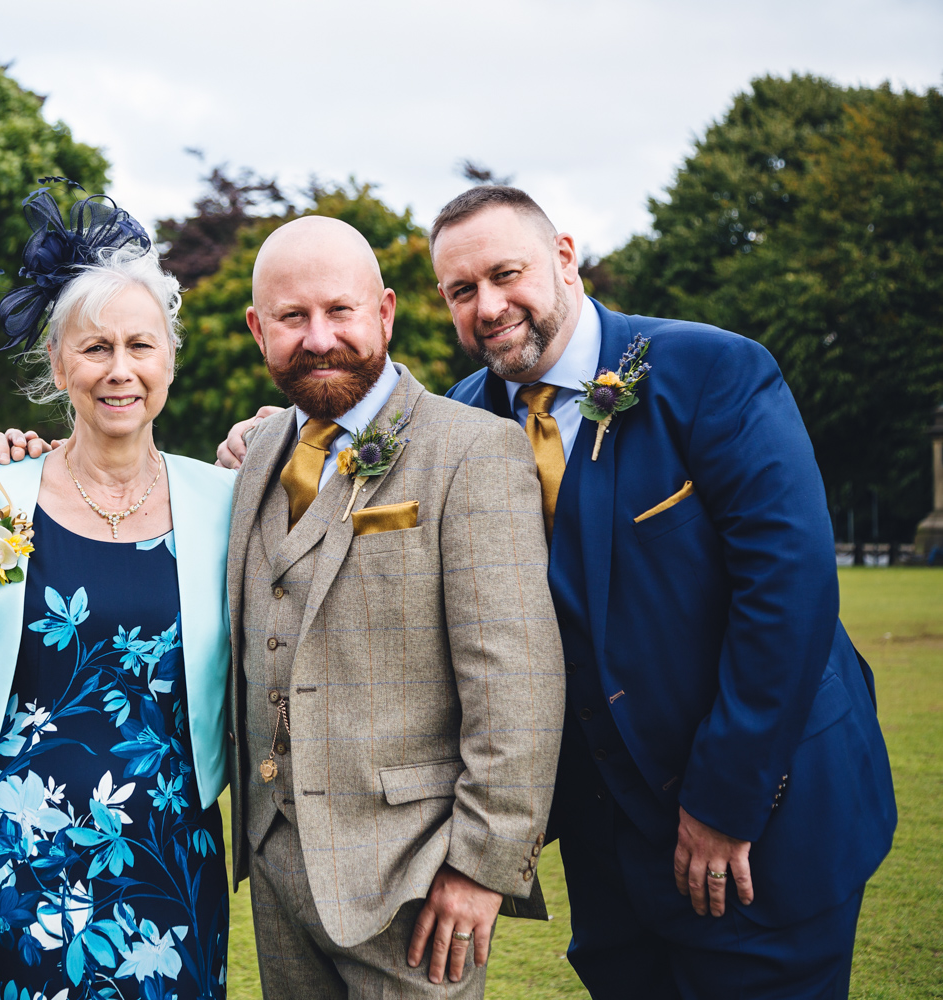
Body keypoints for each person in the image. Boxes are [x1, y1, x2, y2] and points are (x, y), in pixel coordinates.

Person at [221, 187, 897, 999]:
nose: (490, 306)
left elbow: (788, 592)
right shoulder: (464, 422)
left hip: (764, 814)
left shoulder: (711, 371)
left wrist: (728, 802)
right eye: (463, 292)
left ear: (565, 259)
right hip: (608, 842)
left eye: (507, 274)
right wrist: (284, 438)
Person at [0, 213, 565, 999]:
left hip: (414, 883)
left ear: (383, 311)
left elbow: (517, 682)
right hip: (274, 877)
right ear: (257, 329)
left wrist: (480, 869)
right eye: (291, 318)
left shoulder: (474, 451)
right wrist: (0, 473)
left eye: (338, 311)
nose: (317, 338)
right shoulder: (252, 464)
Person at [0, 189, 236, 1000]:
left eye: (140, 346)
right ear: (58, 366)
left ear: (169, 359)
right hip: (10, 862)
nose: (119, 370)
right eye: (94, 349)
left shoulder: (224, 506)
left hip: (166, 860)